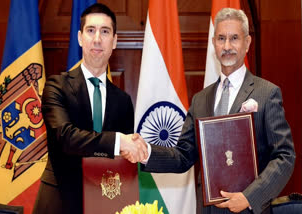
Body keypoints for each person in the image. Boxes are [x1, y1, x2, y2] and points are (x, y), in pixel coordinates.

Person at [137, 8, 295, 214]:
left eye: (234, 38)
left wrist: (249, 197)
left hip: (249, 210)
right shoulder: (200, 99)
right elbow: (183, 155)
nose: (227, 46)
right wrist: (146, 152)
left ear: (247, 43)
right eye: (221, 38)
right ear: (214, 44)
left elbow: (285, 156)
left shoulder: (267, 93)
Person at [33, 3, 147, 214]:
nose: (97, 39)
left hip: (106, 203)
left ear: (114, 41)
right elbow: (66, 137)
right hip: (60, 203)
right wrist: (118, 140)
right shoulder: (56, 86)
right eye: (91, 30)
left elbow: (123, 162)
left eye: (105, 32)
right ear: (79, 38)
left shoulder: (123, 101)